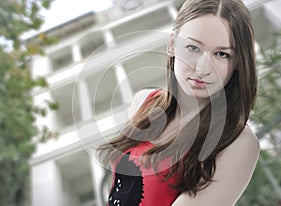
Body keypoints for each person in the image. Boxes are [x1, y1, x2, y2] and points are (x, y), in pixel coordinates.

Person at [97, 0, 260, 205]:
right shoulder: (143, 104)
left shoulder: (238, 141)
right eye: (193, 47)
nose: (202, 68)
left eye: (221, 54)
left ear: (237, 62)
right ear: (172, 45)